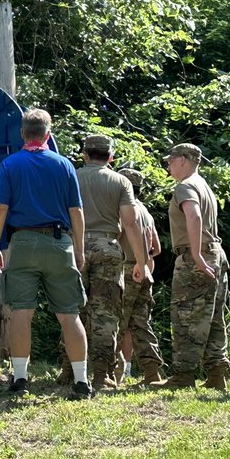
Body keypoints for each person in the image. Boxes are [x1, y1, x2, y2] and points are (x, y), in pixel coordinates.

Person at [0, 108, 92, 399]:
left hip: (21, 243)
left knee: (21, 311)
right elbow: (76, 211)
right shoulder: (64, 165)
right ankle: (82, 382)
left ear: (23, 133)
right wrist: (79, 249)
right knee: (69, 314)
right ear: (48, 134)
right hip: (60, 242)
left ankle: (20, 379)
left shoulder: (10, 165)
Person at [152, 143, 230, 391]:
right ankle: (217, 374)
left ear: (184, 160)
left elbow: (194, 216)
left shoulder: (186, 186)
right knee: (213, 317)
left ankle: (184, 376)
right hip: (215, 253)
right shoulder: (204, 185)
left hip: (196, 257)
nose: (168, 165)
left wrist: (195, 256)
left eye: (171, 160)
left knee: (186, 316)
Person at [76, 135, 150, 390]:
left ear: (85, 154)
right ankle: (101, 374)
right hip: (108, 246)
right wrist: (141, 262)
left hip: (74, 248)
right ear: (111, 157)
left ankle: (69, 369)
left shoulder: (71, 176)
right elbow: (130, 223)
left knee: (72, 310)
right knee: (105, 314)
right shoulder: (121, 181)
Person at [116, 167, 165, 384]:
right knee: (140, 324)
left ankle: (112, 373)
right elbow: (157, 247)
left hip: (127, 270)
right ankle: (151, 372)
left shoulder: (123, 209)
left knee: (116, 322)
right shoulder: (144, 210)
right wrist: (145, 258)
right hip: (146, 273)